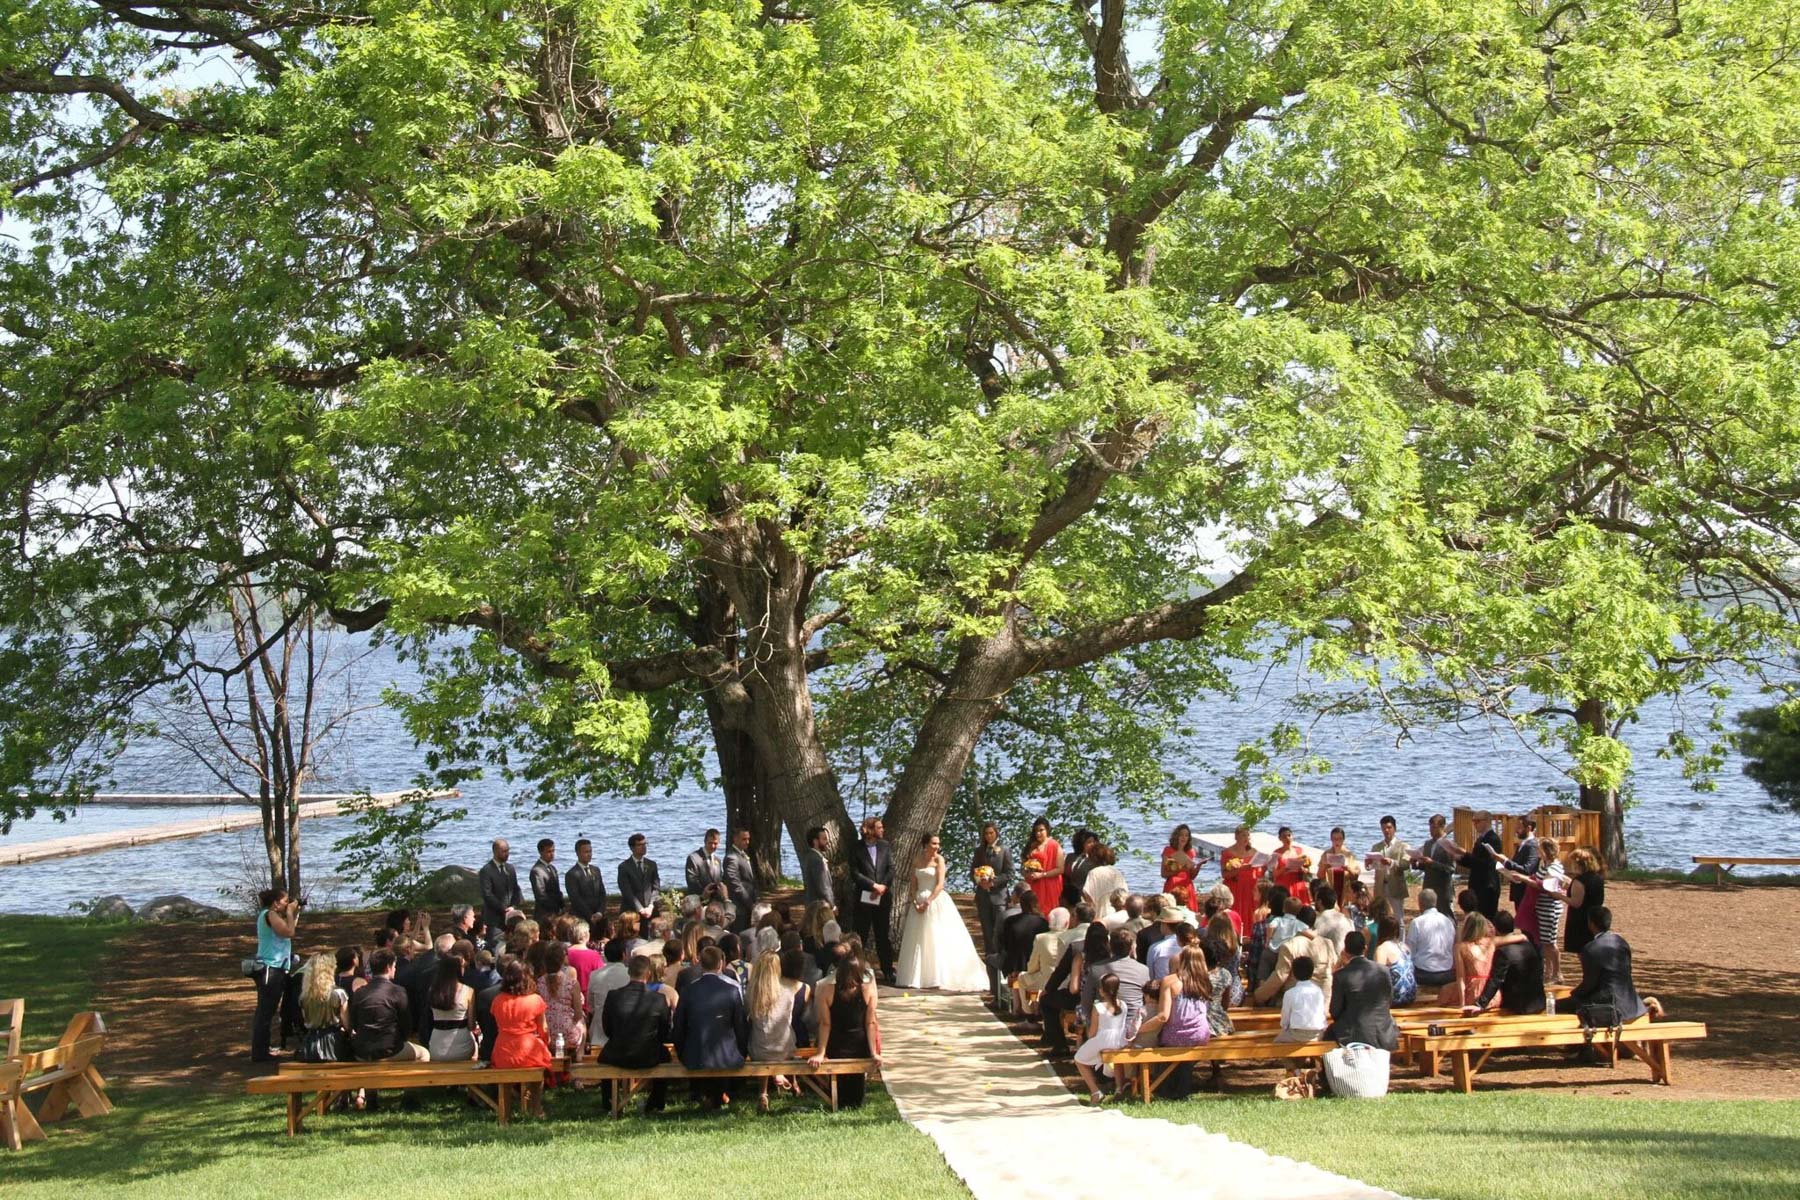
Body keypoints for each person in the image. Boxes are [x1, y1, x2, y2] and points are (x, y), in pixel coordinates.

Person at [894, 832, 991, 990]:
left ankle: (938, 975)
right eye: (934, 843)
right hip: (918, 900)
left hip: (935, 900)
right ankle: (917, 976)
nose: (937, 846)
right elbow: (913, 884)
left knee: (935, 936)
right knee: (917, 938)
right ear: (925, 844)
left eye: (938, 844)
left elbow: (940, 884)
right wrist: (914, 900)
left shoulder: (939, 860)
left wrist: (928, 901)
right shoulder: (917, 860)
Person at [671, 944, 749, 1107]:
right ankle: (716, 1096)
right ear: (720, 964)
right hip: (726, 1055)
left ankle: (710, 1096)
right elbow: (740, 1027)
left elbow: (678, 1026)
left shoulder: (688, 990)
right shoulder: (731, 990)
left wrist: (681, 1051)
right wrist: (742, 1051)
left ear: (700, 964)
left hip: (695, 1054)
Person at [808, 946, 881, 1108]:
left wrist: (821, 1052)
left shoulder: (826, 989)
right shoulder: (868, 988)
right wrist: (873, 1051)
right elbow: (870, 1022)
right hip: (859, 1046)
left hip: (836, 1046)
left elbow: (825, 1024)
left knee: (845, 1097)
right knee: (854, 1098)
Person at [599, 955, 673, 1112]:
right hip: (649, 1055)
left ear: (629, 972)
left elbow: (607, 1028)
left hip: (617, 1053)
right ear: (648, 974)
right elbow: (664, 1031)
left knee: (603, 1055)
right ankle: (656, 1102)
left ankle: (609, 1102)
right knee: (666, 1055)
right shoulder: (659, 999)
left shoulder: (613, 996)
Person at [1140, 945, 1213, 1097]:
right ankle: (1181, 1088)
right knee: (1184, 1056)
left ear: (1182, 960)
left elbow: (1163, 1016)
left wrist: (1139, 1029)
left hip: (1176, 1035)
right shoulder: (1205, 981)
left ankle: (1166, 1088)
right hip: (1201, 1034)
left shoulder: (1170, 981)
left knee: (1161, 1041)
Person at [491, 956, 553, 1114]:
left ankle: (505, 1110)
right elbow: (543, 1030)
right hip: (528, 1050)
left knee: (505, 1079)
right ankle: (536, 1107)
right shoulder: (535, 1000)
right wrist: (546, 1045)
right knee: (539, 1070)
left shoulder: (498, 1000)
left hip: (503, 1050)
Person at [747, 949, 805, 1112]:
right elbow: (788, 1020)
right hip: (784, 1048)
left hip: (759, 1050)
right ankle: (788, 1080)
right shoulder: (788, 992)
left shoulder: (751, 994)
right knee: (784, 1035)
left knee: (761, 1039)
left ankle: (763, 1092)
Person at [1567, 906, 1646, 1023]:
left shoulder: (1590, 949)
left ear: (1591, 924)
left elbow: (1589, 983)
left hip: (1609, 1004)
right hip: (1631, 1002)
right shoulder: (1621, 942)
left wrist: (1574, 994)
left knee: (1561, 1005)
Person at [349, 948, 430, 1062]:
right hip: (389, 1049)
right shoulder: (398, 991)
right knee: (424, 1054)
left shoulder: (359, 992)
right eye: (394, 965)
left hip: (363, 1051)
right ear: (388, 967)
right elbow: (406, 1024)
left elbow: (354, 1023)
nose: (395, 968)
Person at [1324, 931, 1399, 1050]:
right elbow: (1388, 1000)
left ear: (1345, 951)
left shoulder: (1341, 975)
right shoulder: (1384, 971)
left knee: (1328, 1036)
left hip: (1354, 1034)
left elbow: (1335, 1011)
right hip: (1383, 1030)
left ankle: (1328, 1068)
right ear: (1365, 948)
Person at [249, 887, 298, 1063]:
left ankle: (262, 1048)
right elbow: (289, 932)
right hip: (271, 969)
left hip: (277, 967)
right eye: (285, 902)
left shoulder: (271, 915)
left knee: (267, 1010)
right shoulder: (270, 915)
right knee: (265, 1011)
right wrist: (291, 913)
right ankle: (259, 1053)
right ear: (276, 903)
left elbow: (286, 932)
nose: (287, 904)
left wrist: (293, 913)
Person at [1254, 905, 1335, 1009]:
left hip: (1296, 1004)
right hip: (1323, 1004)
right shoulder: (1328, 944)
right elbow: (1334, 970)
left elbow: (1279, 977)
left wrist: (1259, 996)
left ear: (1296, 921)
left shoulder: (1290, 946)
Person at [1467, 912, 1546, 1016]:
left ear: (1496, 929)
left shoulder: (1503, 952)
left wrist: (1480, 1005)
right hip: (1538, 1002)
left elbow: (1495, 980)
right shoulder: (1529, 945)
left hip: (1518, 1005)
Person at [849, 816, 896, 983]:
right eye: (879, 827)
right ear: (870, 830)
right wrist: (872, 885)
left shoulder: (885, 846)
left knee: (882, 934)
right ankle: (856, 968)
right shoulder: (856, 848)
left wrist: (882, 886)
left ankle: (888, 970)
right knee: (860, 933)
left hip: (883, 897)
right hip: (864, 897)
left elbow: (890, 869)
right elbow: (855, 873)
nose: (882, 830)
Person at [1072, 973, 1129, 1104]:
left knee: (1078, 1059)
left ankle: (1095, 1091)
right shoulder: (1124, 1006)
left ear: (1102, 990)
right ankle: (1119, 1088)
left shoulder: (1098, 1007)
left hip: (1103, 1039)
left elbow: (1092, 1033)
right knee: (1117, 1058)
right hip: (1119, 1040)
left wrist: (1087, 1034)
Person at [1080, 927, 1150, 1030]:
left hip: (1106, 1024)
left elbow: (1086, 1001)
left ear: (1110, 946)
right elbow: (1146, 1000)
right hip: (1133, 1025)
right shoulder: (1143, 970)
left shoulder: (1096, 969)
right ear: (1131, 947)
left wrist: (1093, 1022)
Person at [971, 822, 1015, 959]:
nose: (988, 836)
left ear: (996, 833)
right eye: (986, 833)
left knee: (1000, 929)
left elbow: (1010, 873)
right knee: (987, 930)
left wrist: (993, 882)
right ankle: (990, 958)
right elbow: (972, 871)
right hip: (983, 896)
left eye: (991, 833)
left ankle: (1002, 958)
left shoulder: (1004, 850)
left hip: (999, 897)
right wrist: (979, 881)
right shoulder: (979, 851)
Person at [295, 953, 349, 1063]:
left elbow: (305, 1020)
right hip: (334, 1044)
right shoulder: (339, 993)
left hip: (311, 1045)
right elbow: (347, 1023)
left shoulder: (304, 997)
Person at [427, 950, 479, 1060]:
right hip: (462, 1047)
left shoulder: (432, 990)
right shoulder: (468, 991)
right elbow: (471, 1025)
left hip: (436, 1046)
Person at [538, 940, 586, 1056]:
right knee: (583, 1023)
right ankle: (579, 1056)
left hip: (547, 1031)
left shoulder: (539, 983)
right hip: (567, 1033)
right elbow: (578, 1013)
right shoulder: (571, 983)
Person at [1440, 912, 1495, 1008]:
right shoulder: (1491, 943)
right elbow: (1516, 937)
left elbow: (1461, 978)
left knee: (1445, 992)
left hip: (1473, 993)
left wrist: (1462, 1003)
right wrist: (1523, 937)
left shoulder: (1460, 948)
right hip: (1491, 994)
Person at [1405, 888, 1457, 989]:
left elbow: (1410, 951)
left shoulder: (1417, 923)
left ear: (1420, 904)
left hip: (1424, 974)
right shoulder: (1448, 921)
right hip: (1447, 972)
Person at [478, 839, 525, 950]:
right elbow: (487, 894)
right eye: (503, 851)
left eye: (508, 851)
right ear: (495, 851)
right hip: (494, 918)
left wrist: (513, 906)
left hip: (511, 915)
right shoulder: (486, 870)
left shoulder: (510, 868)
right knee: (495, 946)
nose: (507, 854)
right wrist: (504, 909)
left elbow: (516, 889)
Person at [1565, 847, 1607, 958]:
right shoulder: (1597, 878)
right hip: (1594, 916)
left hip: (1581, 919)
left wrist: (1557, 895)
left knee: (1583, 952)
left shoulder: (1580, 880)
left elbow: (1576, 903)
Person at [1412, 815, 1458, 916]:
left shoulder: (1449, 845)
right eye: (1430, 827)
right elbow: (1426, 866)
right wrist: (1416, 864)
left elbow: (1451, 869)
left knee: (1447, 917)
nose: (1431, 830)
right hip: (1429, 887)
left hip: (1443, 890)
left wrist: (1432, 863)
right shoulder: (1428, 844)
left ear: (1442, 827)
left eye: (1434, 828)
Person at [1221, 826, 1266, 929]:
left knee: (1250, 910)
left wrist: (1264, 867)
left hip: (1250, 886)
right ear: (1236, 837)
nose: (1246, 838)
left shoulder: (1254, 851)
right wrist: (1240, 869)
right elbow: (1224, 874)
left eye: (1248, 835)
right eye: (1243, 835)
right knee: (1236, 910)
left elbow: (1259, 873)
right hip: (1235, 886)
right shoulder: (1228, 853)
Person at [1464, 811, 1505, 919]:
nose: (1474, 824)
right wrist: (1459, 857)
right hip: (1478, 883)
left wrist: (1463, 856)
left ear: (1487, 822)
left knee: (1487, 918)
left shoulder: (1493, 839)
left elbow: (1486, 864)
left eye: (1477, 821)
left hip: (1487, 886)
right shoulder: (1481, 838)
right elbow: (1475, 862)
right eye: (1473, 821)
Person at [1368, 815, 1410, 917]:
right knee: (1380, 915)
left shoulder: (1403, 846)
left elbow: (1406, 864)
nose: (1386, 831)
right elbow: (1371, 866)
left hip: (1395, 885)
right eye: (1384, 828)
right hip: (1380, 886)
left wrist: (1391, 862)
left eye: (1389, 828)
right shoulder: (1376, 847)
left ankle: (1401, 934)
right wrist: (1368, 864)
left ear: (1395, 829)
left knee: (1398, 916)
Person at [1276, 956, 1326, 1042]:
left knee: (1276, 1043)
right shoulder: (1318, 991)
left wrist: (1284, 1027)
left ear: (1294, 973)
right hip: (1318, 1033)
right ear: (1312, 972)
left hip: (1297, 1034)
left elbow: (1285, 1017)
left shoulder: (1290, 993)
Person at [1373, 912, 1418, 1006]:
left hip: (1395, 998)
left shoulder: (1382, 949)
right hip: (1411, 995)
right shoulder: (1405, 947)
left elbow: (1378, 976)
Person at [1022, 818, 1064, 918]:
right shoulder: (1031, 846)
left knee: (1049, 913)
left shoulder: (1054, 845)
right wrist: (1026, 873)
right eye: (1036, 830)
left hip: (1050, 884)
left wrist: (1042, 875)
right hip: (1033, 883)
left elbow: (1060, 869)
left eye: (1041, 830)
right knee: (1033, 910)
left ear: (1047, 830)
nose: (1038, 833)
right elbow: (1023, 865)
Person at [617, 833, 662, 919]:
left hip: (651, 911)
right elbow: (627, 891)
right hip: (632, 911)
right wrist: (640, 909)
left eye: (645, 844)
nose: (644, 847)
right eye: (640, 845)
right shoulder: (624, 867)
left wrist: (651, 906)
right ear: (632, 848)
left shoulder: (652, 865)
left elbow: (656, 887)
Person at [723, 827, 759, 932]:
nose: (747, 842)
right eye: (744, 839)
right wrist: (749, 903)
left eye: (748, 839)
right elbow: (735, 884)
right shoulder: (732, 857)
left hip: (746, 906)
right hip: (739, 908)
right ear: (735, 839)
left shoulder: (742, 854)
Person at [1081, 845, 1127, 923]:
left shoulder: (1093, 873)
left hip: (1101, 917)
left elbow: (1088, 898)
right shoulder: (1116, 872)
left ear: (1094, 858)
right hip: (1118, 915)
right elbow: (1125, 894)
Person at [565, 838, 607, 922]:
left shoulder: (596, 870)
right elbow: (575, 898)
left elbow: (602, 893)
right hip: (582, 917)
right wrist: (589, 915)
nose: (589, 854)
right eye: (586, 852)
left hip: (599, 916)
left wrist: (600, 912)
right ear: (577, 853)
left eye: (590, 851)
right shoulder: (572, 874)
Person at [1160, 824, 1200, 912]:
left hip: (1187, 885)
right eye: (1181, 835)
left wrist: (1199, 866)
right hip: (1173, 884)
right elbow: (1163, 874)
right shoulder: (1168, 850)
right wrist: (1180, 870)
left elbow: (1192, 876)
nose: (1184, 838)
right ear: (1176, 836)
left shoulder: (1191, 852)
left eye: (1186, 835)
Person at [1504, 816, 1541, 909]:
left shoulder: (1532, 846)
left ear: (1528, 828)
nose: (1516, 830)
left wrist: (1505, 861)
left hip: (1525, 891)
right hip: (1519, 890)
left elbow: (1527, 869)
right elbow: (1517, 864)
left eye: (1519, 827)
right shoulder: (1523, 843)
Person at [1311, 883, 1355, 960]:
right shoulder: (1348, 921)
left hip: (1330, 963)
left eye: (1315, 900)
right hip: (1348, 961)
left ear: (1320, 902)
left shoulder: (1318, 922)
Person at [1270, 827, 1312, 905]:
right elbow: (1274, 874)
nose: (1287, 838)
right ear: (1280, 839)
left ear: (1292, 836)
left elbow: (1307, 869)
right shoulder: (1276, 853)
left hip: (1297, 882)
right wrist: (1285, 868)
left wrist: (1303, 869)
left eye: (1289, 835)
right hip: (1284, 883)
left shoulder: (1299, 850)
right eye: (1284, 836)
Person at [1315, 827, 1361, 899]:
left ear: (1343, 839)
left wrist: (1348, 869)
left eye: (1339, 839)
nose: (1337, 841)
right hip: (1330, 890)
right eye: (1334, 839)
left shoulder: (1349, 855)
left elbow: (1355, 877)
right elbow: (1319, 876)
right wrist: (1325, 867)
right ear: (1331, 839)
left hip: (1345, 890)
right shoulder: (1326, 854)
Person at [1060, 830, 1099, 911]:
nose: (1092, 844)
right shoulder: (1070, 857)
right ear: (1081, 844)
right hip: (1070, 894)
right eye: (1089, 842)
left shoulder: (1096, 860)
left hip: (1087, 894)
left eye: (1094, 842)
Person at [800, 825, 836, 910]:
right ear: (815, 841)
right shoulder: (816, 860)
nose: (828, 842)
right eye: (824, 839)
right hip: (820, 907)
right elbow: (823, 887)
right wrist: (832, 906)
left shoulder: (810, 856)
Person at [528, 838, 564, 919]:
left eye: (553, 851)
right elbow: (540, 896)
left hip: (556, 912)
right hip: (544, 914)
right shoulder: (536, 871)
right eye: (549, 852)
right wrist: (555, 908)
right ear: (541, 852)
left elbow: (557, 890)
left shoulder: (552, 868)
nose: (552, 854)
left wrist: (562, 905)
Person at [686, 828, 725, 898]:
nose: (713, 846)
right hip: (699, 899)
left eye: (715, 843)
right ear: (705, 841)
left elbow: (719, 879)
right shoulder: (693, 858)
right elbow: (692, 882)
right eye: (710, 843)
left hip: (715, 901)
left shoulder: (718, 860)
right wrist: (704, 894)